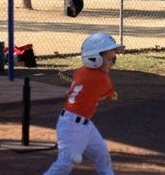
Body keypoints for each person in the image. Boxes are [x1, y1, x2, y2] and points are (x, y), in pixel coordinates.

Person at [44, 31, 124, 175]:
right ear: (94, 58)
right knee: (64, 165)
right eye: (109, 58)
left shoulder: (81, 71)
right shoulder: (102, 79)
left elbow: (84, 91)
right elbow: (108, 95)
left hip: (84, 124)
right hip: (72, 127)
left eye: (114, 58)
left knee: (102, 155)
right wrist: (109, 96)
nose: (112, 62)